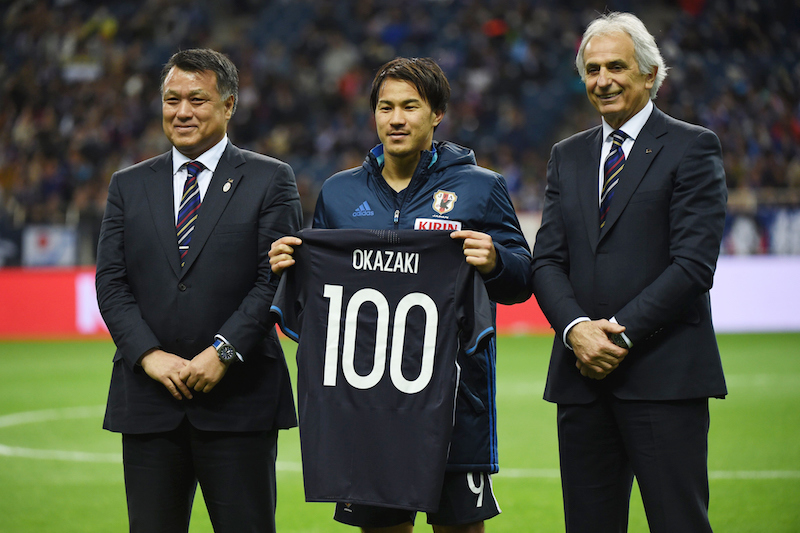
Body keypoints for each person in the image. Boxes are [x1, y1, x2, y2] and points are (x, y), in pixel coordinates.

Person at [269, 57, 532, 533]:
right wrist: (290, 267)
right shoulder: (339, 193)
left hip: (454, 404)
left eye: (410, 106)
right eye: (385, 107)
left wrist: (496, 260)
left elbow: (523, 278)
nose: (396, 118)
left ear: (437, 114)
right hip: (367, 408)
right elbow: (319, 303)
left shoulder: (481, 188)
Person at [531, 12, 727, 533]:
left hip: (665, 377)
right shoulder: (566, 156)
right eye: (592, 70)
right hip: (581, 380)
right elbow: (546, 260)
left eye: (616, 67)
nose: (603, 80)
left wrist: (615, 336)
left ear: (650, 73)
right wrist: (576, 331)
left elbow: (693, 265)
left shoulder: (693, 146)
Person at [95, 48, 302, 533]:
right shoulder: (127, 185)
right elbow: (111, 282)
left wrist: (223, 352)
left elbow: (273, 278)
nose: (182, 111)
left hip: (239, 400)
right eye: (172, 100)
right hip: (149, 400)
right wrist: (149, 356)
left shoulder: (271, 178)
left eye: (197, 99)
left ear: (229, 105)